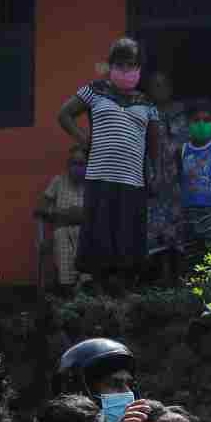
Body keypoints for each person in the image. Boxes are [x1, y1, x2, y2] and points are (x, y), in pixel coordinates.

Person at [58, 37, 161, 292]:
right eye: (121, 64)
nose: (127, 70)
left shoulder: (147, 103)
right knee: (100, 241)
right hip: (100, 178)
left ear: (140, 68)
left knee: (127, 242)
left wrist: (154, 172)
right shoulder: (95, 91)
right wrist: (85, 141)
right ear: (111, 65)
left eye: (133, 65)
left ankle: (126, 298)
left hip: (132, 182)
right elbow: (64, 114)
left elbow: (154, 144)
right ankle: (100, 298)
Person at [144, 70, 189, 280]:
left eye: (163, 84)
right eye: (155, 85)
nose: (159, 89)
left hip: (179, 178)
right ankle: (162, 278)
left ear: (171, 87)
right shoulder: (145, 114)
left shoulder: (182, 113)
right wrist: (148, 177)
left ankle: (180, 277)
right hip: (154, 179)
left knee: (179, 228)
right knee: (157, 230)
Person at [179, 98, 211, 262]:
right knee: (192, 254)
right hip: (188, 210)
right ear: (188, 123)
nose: (201, 124)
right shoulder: (182, 150)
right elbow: (181, 179)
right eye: (196, 120)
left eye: (207, 120)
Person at [37, 146, 90, 291]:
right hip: (62, 229)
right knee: (61, 238)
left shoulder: (93, 184)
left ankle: (84, 289)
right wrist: (62, 213)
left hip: (86, 231)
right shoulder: (58, 181)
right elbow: (41, 208)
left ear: (88, 164)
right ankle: (67, 292)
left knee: (87, 273)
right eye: (73, 163)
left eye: (81, 164)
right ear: (68, 165)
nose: (77, 167)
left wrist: (79, 214)